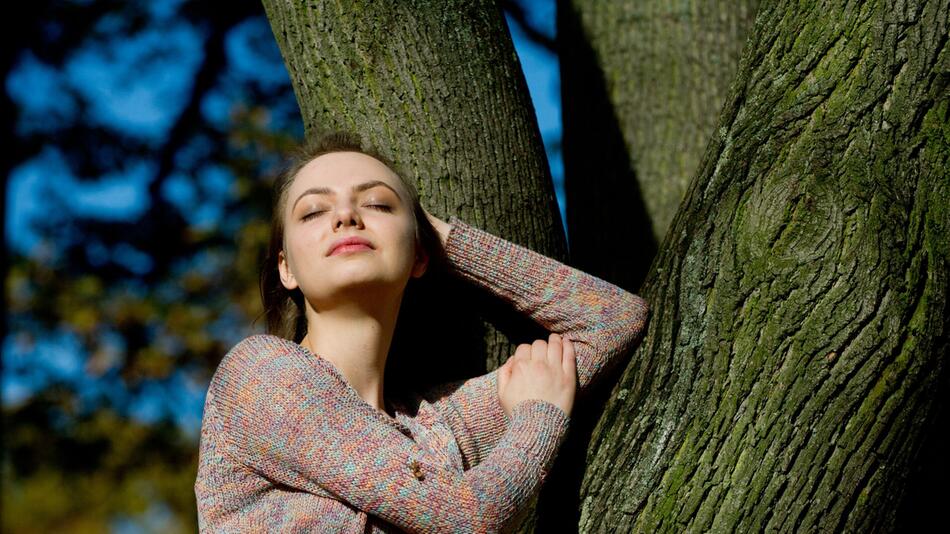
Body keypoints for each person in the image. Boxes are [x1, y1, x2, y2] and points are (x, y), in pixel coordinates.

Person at [194, 130, 649, 532]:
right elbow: (466, 519)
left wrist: (438, 237)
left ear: (418, 255)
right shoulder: (259, 377)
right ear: (286, 268)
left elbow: (613, 319)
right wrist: (539, 416)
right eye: (313, 212)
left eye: (376, 204)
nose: (346, 216)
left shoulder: (439, 427)